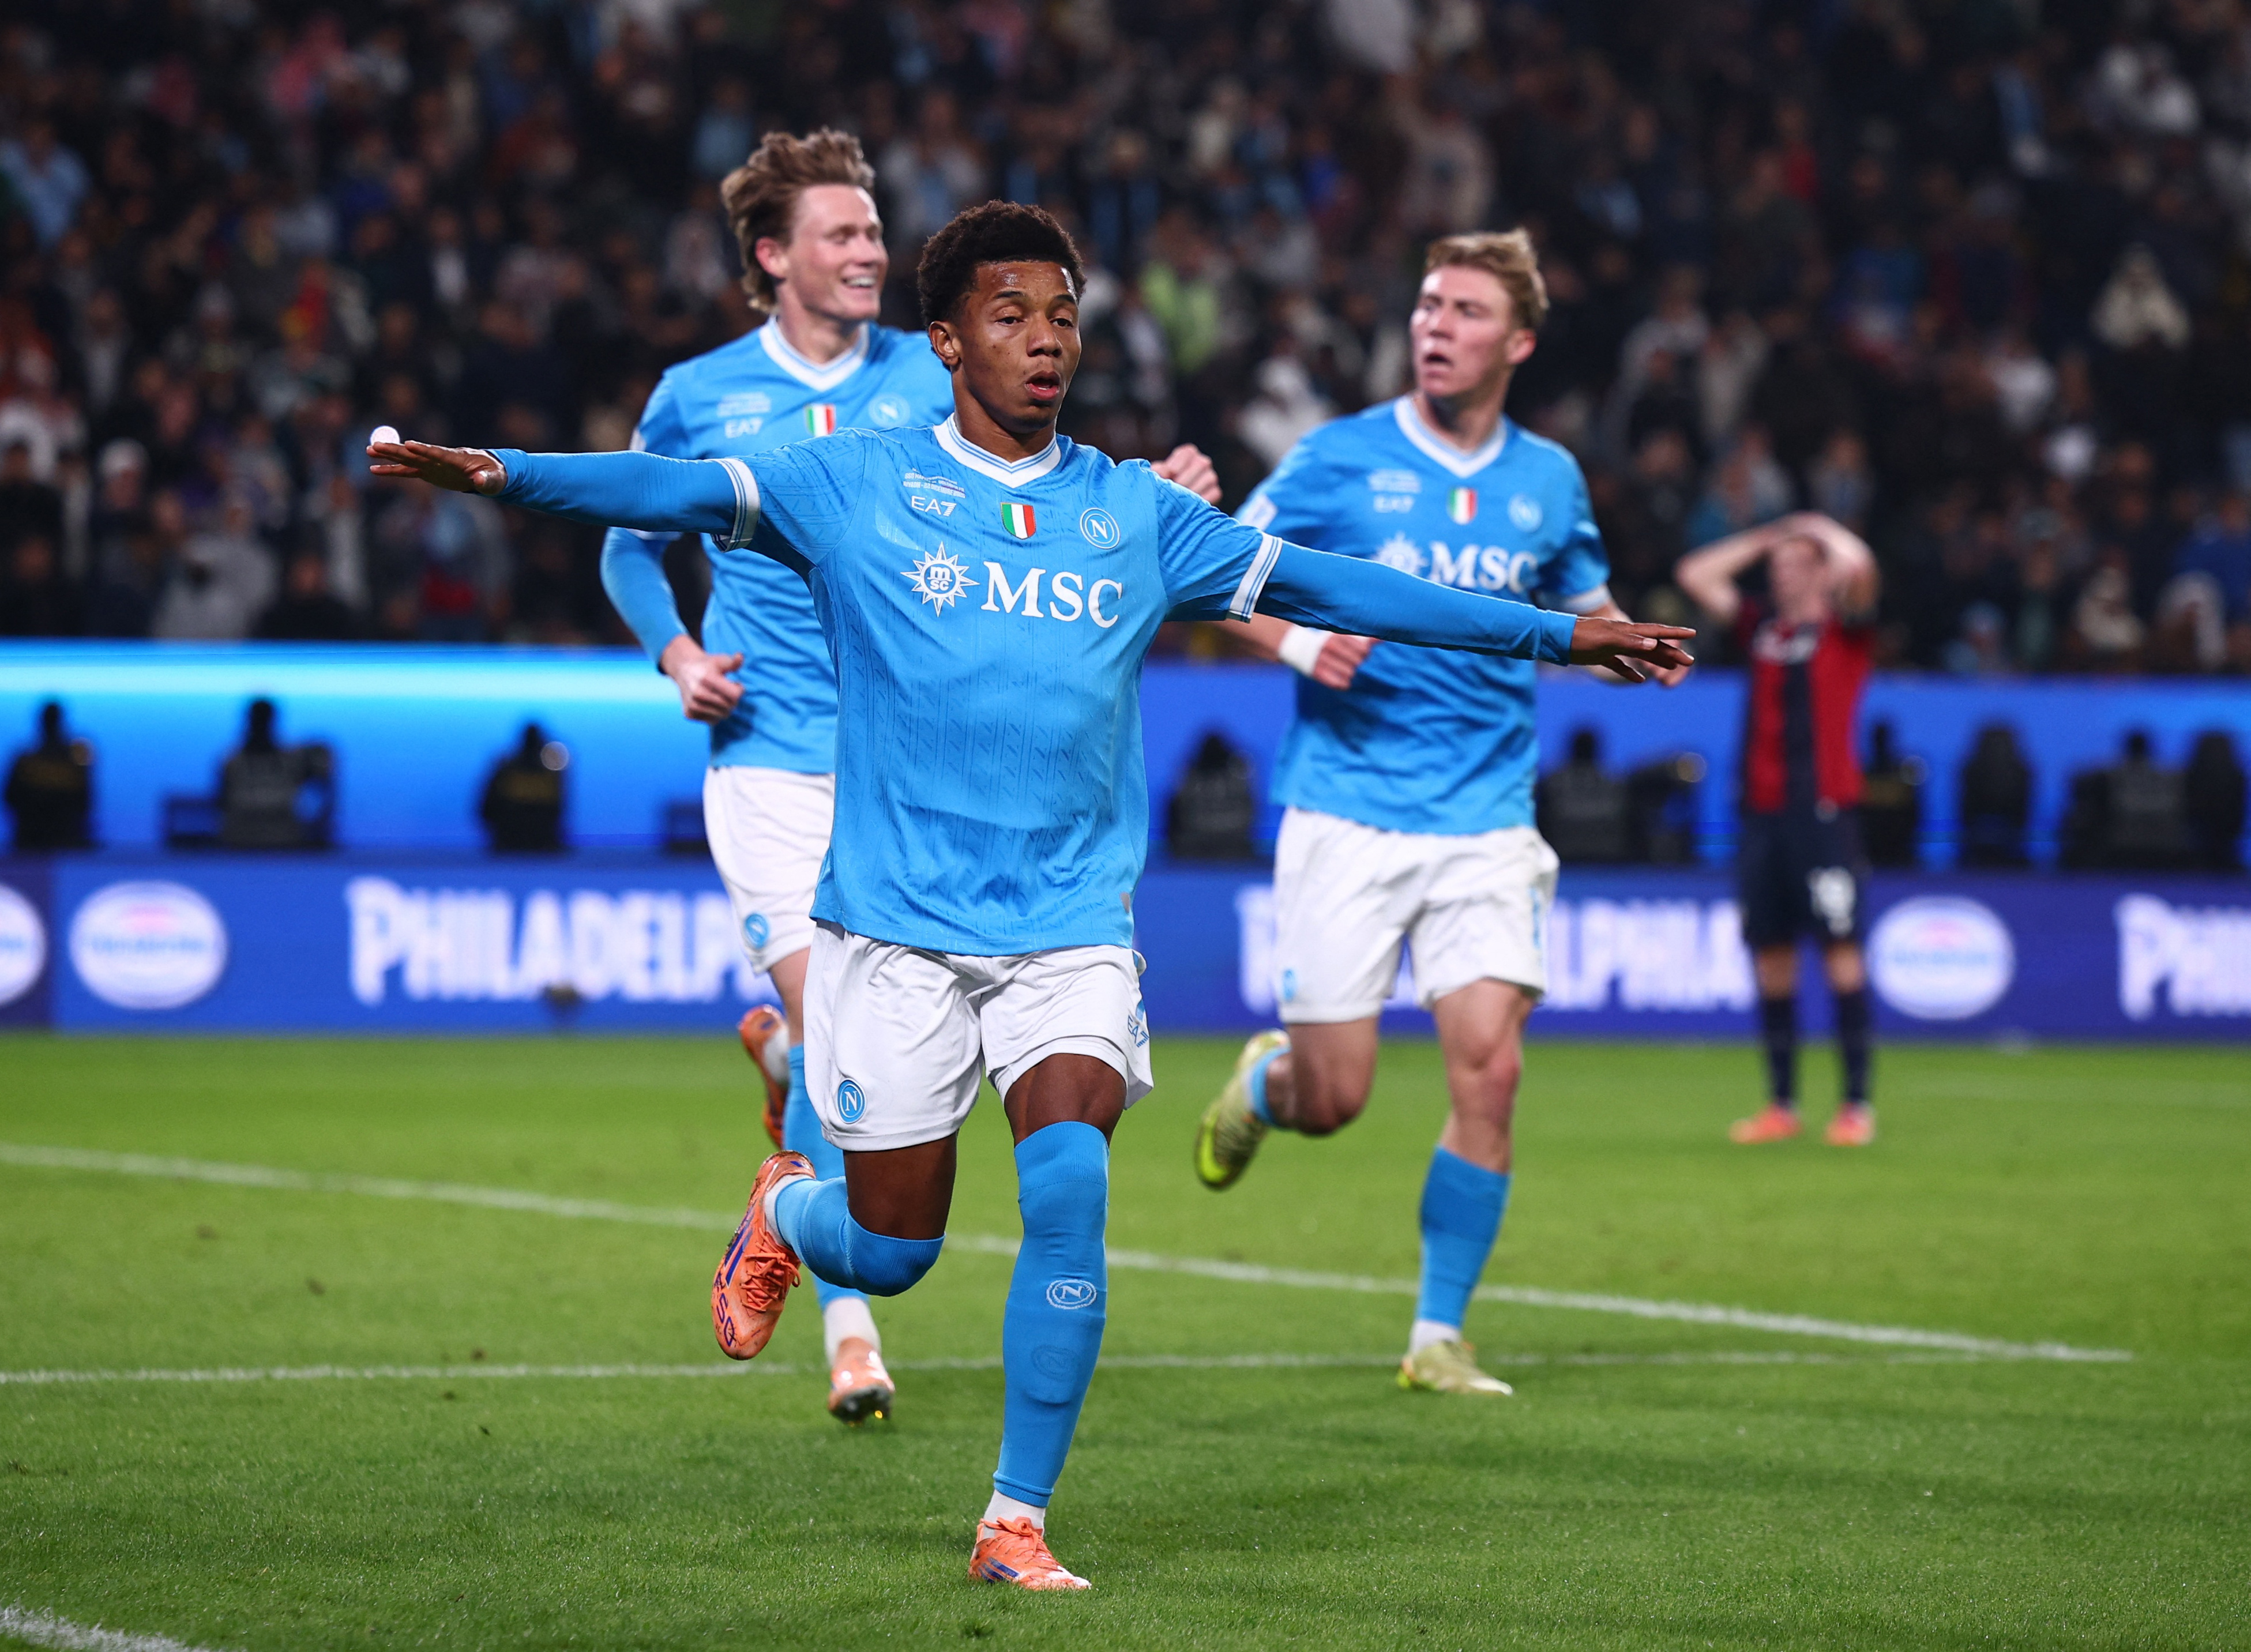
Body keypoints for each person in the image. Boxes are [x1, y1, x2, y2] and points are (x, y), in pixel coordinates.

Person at [371, 200, 1691, 1594]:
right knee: (889, 1248)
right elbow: (671, 494)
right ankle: (786, 1212)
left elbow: (1340, 582)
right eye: (1010, 317)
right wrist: (501, 476)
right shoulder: (853, 480)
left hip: (1066, 927)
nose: (1045, 342)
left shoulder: (1133, 513)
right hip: (895, 929)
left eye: (1061, 317)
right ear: (943, 341)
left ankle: (1015, 1519)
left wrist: (1558, 635)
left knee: (1069, 1182)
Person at [597, 130, 1222, 1431]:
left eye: (877, 232)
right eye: (840, 233)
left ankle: (802, 1162)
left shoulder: (933, 364)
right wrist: (673, 649)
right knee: (836, 1027)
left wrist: (1152, 501)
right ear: (773, 257)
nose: (869, 251)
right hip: (772, 759)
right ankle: (850, 1335)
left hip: (917, 772)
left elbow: (1035, 497)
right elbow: (631, 540)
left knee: (855, 1066)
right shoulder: (701, 390)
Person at [1193, 231, 1688, 1400]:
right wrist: (1301, 639)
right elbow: (1213, 570)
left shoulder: (1549, 480)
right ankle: (1271, 1086)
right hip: (1347, 811)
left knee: (1490, 1071)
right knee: (1337, 1097)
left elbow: (1582, 609)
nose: (1435, 326)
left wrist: (1632, 650)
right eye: (1425, 305)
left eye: (1464, 310)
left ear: (1515, 340)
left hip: (1485, 817)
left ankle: (1435, 1334)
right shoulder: (1335, 459)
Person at [1675, 513, 1880, 1146]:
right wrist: (1767, 538)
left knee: (1841, 953)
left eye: (1796, 563)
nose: (1782, 573)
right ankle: (1783, 1105)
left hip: (1823, 816)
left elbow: (1865, 572)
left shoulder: (1845, 630)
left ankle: (1855, 1106)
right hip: (1762, 818)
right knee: (1772, 959)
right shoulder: (1764, 628)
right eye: (1778, 566)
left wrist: (1819, 528)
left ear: (1824, 570)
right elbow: (1695, 574)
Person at [5, 701, 93, 851]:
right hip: (34, 842)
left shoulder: (77, 758)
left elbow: (85, 801)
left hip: (63, 841)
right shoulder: (26, 761)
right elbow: (11, 798)